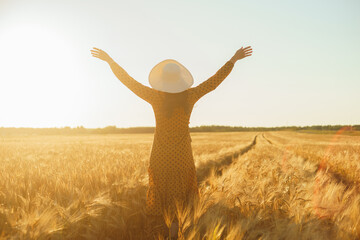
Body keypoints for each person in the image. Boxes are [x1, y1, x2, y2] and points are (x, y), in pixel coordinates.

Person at [90, 45, 253, 239]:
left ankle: (160, 233)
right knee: (179, 198)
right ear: (180, 81)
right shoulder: (190, 96)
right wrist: (233, 60)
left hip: (159, 156)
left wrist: (111, 62)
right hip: (182, 156)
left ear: (162, 82)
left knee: (160, 196)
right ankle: (175, 234)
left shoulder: (156, 97)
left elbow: (130, 83)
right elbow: (213, 82)